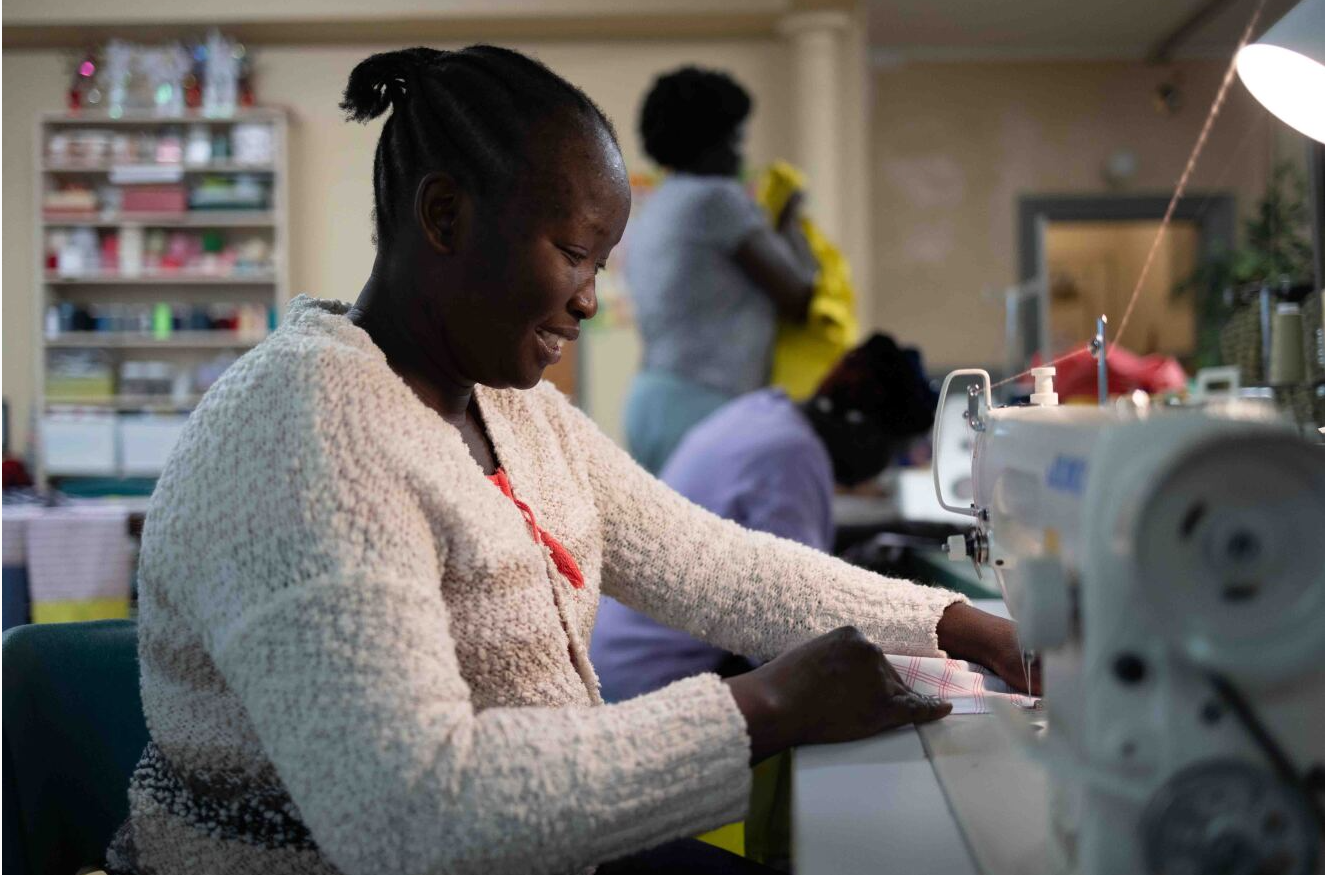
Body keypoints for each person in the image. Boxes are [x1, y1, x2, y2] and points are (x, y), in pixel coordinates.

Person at [107, 46, 1029, 875]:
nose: (592, 301)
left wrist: (957, 623)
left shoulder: (513, 409)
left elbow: (715, 565)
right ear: (443, 215)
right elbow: (411, 817)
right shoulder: (307, 432)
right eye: (576, 255)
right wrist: (763, 709)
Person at [593, 334, 939, 701]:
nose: (881, 471)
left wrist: (901, 529)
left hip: (614, 654)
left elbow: (760, 547)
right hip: (653, 683)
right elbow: (798, 626)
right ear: (866, 433)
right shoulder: (793, 456)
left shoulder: (764, 411)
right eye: (893, 453)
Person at [624, 66, 818, 474]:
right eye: (736, 138)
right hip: (707, 401)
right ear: (708, 140)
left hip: (654, 398)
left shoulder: (657, 205)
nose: (740, 154)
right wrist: (790, 221)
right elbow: (800, 297)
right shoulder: (718, 200)